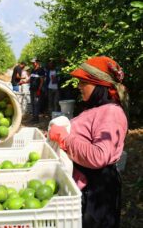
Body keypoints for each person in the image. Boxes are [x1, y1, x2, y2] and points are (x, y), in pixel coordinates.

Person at [49, 56, 129, 227]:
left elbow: (99, 156)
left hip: (97, 192)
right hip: (88, 187)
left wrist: (63, 138)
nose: (79, 86)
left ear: (100, 84)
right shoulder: (97, 109)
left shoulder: (111, 113)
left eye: (83, 82)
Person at [29, 58, 45, 123]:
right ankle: (33, 117)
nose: (33, 64)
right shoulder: (33, 70)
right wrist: (24, 82)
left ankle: (36, 118)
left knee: (36, 104)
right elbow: (31, 79)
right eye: (32, 63)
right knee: (32, 103)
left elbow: (42, 81)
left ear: (37, 62)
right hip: (32, 89)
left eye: (34, 62)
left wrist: (39, 89)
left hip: (36, 90)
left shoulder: (41, 70)